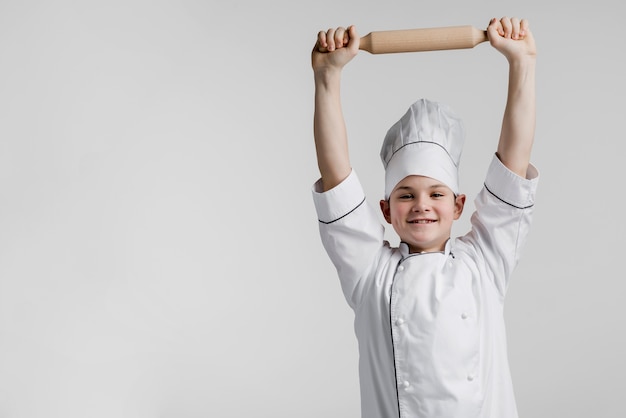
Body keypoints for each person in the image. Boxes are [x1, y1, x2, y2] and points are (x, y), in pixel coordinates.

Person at [310, 17, 538, 418]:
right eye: (405, 195)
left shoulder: (485, 260)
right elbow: (337, 178)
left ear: (458, 205)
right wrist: (327, 79)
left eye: (436, 194)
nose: (422, 205)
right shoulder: (370, 274)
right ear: (385, 210)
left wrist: (522, 63)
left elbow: (513, 166)